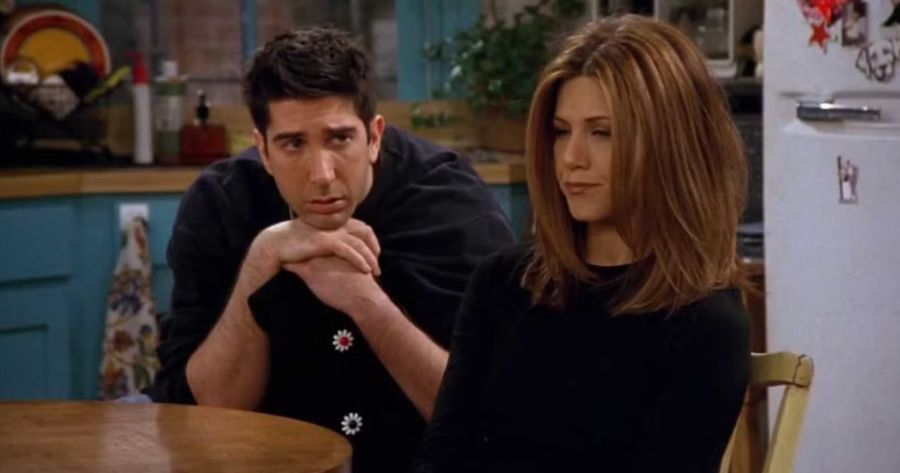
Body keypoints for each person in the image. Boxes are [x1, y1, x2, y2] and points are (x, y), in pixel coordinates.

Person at [147, 27, 516, 473]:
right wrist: (261, 260)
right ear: (263, 150)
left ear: (374, 136)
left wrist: (366, 302)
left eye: (340, 139)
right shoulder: (221, 203)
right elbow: (203, 413)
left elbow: (490, 418)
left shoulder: (450, 206)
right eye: (293, 144)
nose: (322, 174)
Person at [415, 14, 751, 473]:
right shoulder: (503, 282)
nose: (572, 158)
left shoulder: (704, 323)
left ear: (670, 146)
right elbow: (441, 456)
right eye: (561, 131)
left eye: (601, 132)